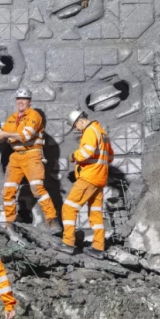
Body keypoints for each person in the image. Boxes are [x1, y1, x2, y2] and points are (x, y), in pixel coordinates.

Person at [0, 88, 60, 236]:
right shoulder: (12, 118)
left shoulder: (34, 115)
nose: (20, 102)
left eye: (24, 99)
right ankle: (10, 221)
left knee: (37, 189)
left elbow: (26, 136)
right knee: (8, 191)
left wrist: (5, 134)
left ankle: (52, 219)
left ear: (29, 101)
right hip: (15, 156)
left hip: (32, 155)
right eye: (18, 99)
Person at [58, 111, 114, 259]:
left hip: (89, 177)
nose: (77, 129)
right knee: (95, 213)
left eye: (76, 126)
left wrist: (73, 156)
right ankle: (98, 247)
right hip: (100, 179)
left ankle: (68, 243)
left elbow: (85, 154)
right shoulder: (102, 132)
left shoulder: (90, 131)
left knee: (69, 208)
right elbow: (110, 157)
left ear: (80, 121)